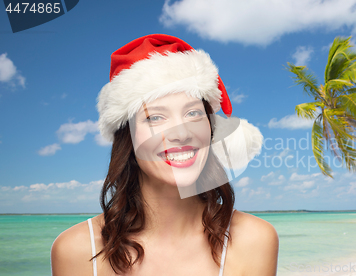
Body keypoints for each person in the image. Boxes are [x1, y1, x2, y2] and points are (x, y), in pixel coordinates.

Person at [51, 34, 279, 276]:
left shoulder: (255, 240)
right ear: (128, 137)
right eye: (155, 117)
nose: (181, 133)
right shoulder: (75, 250)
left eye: (193, 113)